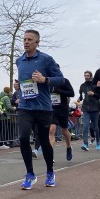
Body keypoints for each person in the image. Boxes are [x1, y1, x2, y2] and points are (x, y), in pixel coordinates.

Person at [15, 29, 64, 189]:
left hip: (42, 107)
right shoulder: (19, 61)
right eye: (24, 39)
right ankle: (30, 174)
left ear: (37, 42)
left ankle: (50, 172)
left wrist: (45, 79)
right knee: (23, 138)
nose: (26, 42)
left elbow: (61, 80)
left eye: (30, 39)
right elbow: (24, 82)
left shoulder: (46, 59)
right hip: (25, 106)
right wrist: (18, 86)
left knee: (43, 141)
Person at [48, 76, 75, 160]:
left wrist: (58, 91)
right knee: (51, 130)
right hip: (52, 110)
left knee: (64, 131)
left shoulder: (64, 81)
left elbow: (71, 93)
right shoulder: (47, 81)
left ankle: (68, 147)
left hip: (62, 109)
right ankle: (50, 155)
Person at [78, 70, 100, 151]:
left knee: (95, 127)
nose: (86, 77)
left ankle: (98, 142)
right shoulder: (82, 86)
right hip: (86, 109)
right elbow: (81, 96)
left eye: (88, 75)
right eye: (85, 75)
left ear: (91, 76)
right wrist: (78, 101)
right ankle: (85, 144)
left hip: (95, 108)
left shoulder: (95, 85)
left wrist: (93, 94)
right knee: (85, 126)